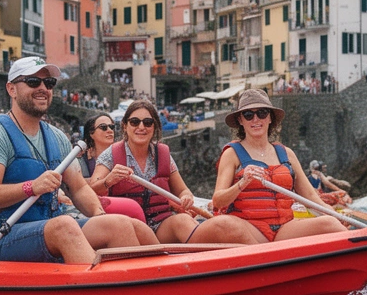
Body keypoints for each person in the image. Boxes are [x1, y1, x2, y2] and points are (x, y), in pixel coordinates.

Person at [0, 57, 154, 264]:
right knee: (64, 226)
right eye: (33, 82)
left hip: (44, 228)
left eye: (49, 83)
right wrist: (32, 187)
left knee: (120, 224)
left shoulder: (57, 137)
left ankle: (141, 282)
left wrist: (99, 215)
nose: (43, 88)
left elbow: (79, 188)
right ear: (12, 89)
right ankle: (97, 283)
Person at [94, 100, 256, 245]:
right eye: (134, 122)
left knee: (183, 220)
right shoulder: (111, 155)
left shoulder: (163, 154)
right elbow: (91, 191)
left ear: (154, 127)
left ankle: (236, 254)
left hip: (160, 226)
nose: (141, 127)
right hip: (129, 228)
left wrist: (186, 197)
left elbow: (183, 190)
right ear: (125, 125)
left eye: (148, 122)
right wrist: (109, 180)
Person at [212, 89, 345, 243]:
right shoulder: (232, 154)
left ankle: (362, 246)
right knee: (227, 225)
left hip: (284, 228)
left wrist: (335, 214)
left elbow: (310, 197)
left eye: (262, 113)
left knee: (330, 223)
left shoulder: (287, 154)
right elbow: (218, 201)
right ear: (240, 120)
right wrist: (241, 183)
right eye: (248, 115)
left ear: (270, 118)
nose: (255, 119)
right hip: (250, 228)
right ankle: (263, 253)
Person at [80, 112, 146, 222]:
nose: (109, 130)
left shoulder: (125, 154)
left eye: (111, 127)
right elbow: (76, 186)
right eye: (103, 127)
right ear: (91, 133)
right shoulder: (81, 160)